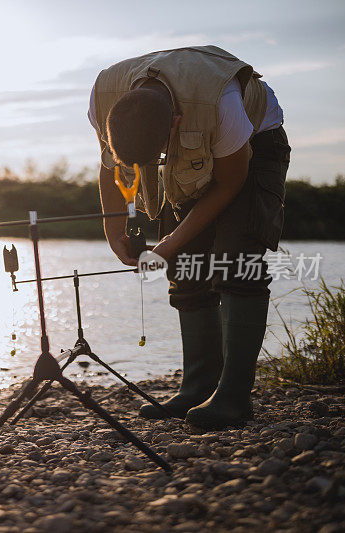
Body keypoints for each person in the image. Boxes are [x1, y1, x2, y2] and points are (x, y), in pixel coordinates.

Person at [88, 45, 290, 430]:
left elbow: (230, 183)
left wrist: (165, 245)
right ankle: (198, 387)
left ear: (175, 124)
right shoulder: (104, 93)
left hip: (253, 146)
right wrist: (113, 232)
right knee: (184, 267)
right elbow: (110, 166)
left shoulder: (223, 104)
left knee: (237, 263)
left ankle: (233, 399)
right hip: (196, 147)